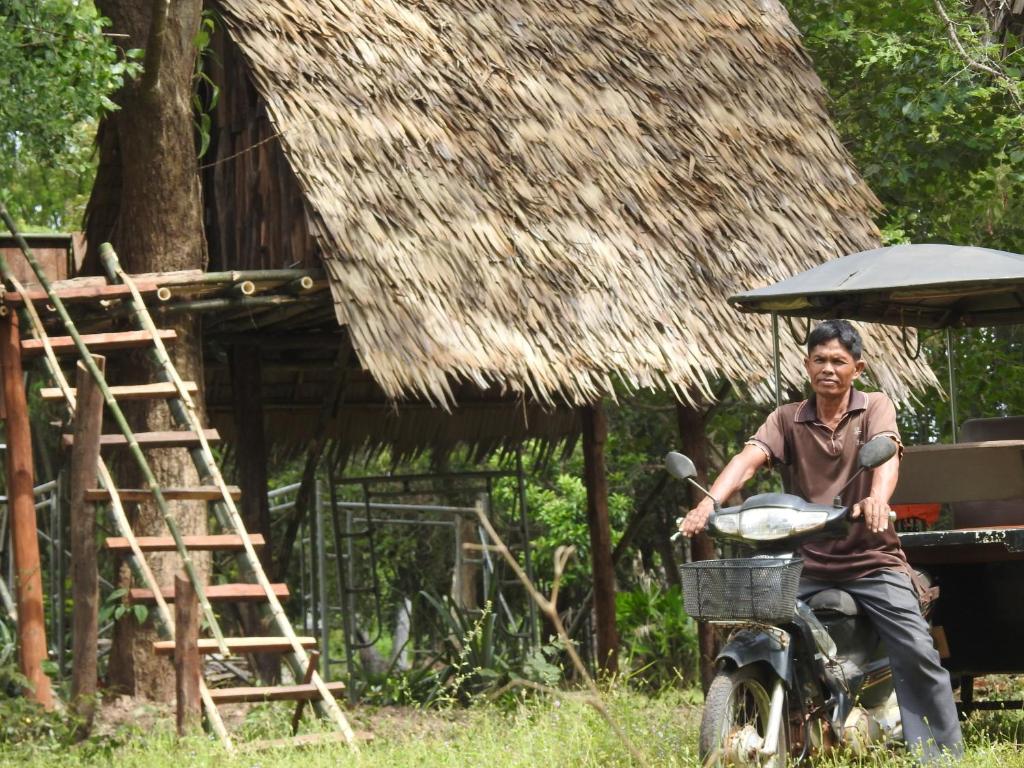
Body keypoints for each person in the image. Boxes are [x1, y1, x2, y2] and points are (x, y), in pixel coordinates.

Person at [678, 319, 963, 764]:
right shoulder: (787, 418)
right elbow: (748, 459)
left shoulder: (875, 408)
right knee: (758, 622)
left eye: (838, 361)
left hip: (872, 559)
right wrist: (709, 503)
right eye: (819, 360)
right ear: (806, 364)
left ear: (858, 367)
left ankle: (941, 755)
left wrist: (875, 500)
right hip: (806, 563)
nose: (827, 368)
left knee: (916, 648)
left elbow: (886, 453)